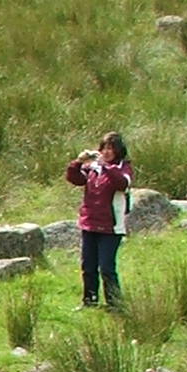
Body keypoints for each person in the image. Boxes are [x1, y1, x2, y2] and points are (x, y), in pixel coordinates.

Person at [67, 130, 134, 310]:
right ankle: (90, 301)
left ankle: (115, 304)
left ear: (118, 150)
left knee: (106, 268)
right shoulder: (93, 168)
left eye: (110, 148)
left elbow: (122, 184)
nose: (106, 152)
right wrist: (78, 162)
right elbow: (75, 178)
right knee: (88, 266)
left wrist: (105, 166)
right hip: (90, 224)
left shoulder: (123, 168)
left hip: (111, 228)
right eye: (103, 148)